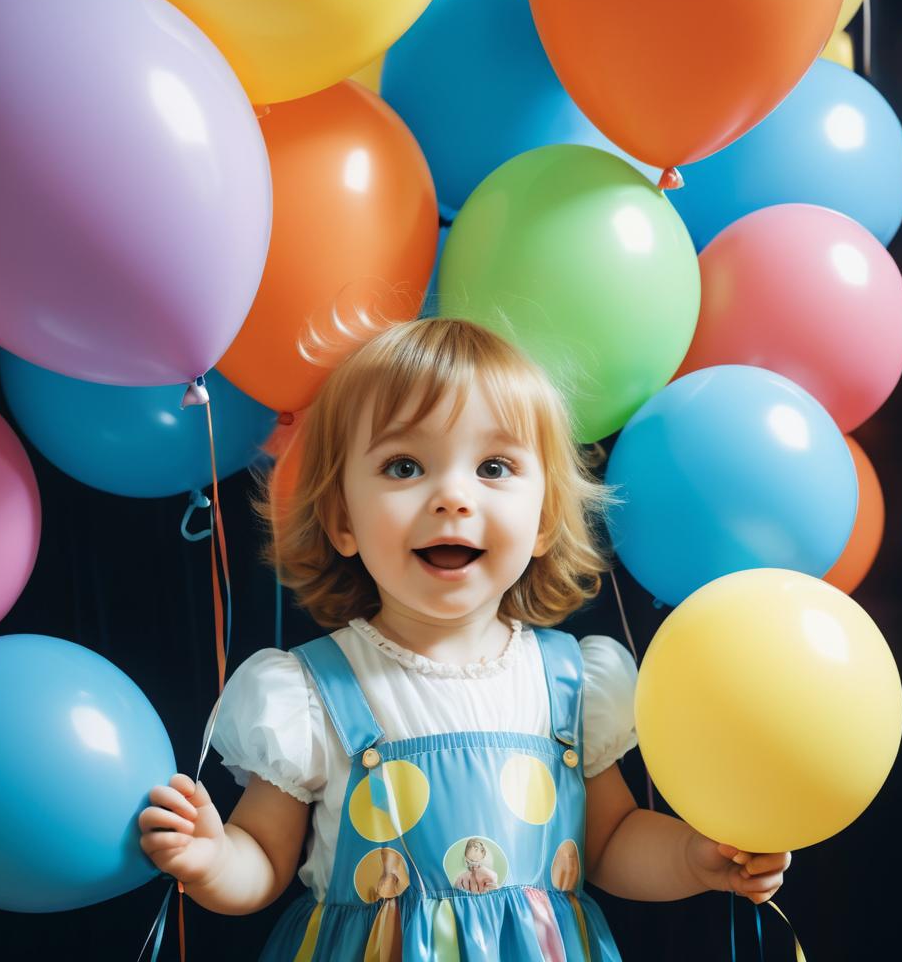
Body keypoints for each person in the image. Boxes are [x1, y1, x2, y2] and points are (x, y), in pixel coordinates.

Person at [139, 318, 790, 959]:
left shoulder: (571, 683)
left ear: (543, 521)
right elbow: (264, 861)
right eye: (403, 466)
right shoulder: (309, 691)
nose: (452, 496)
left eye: (494, 466)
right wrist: (213, 859)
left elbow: (612, 841)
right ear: (342, 519)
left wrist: (694, 858)